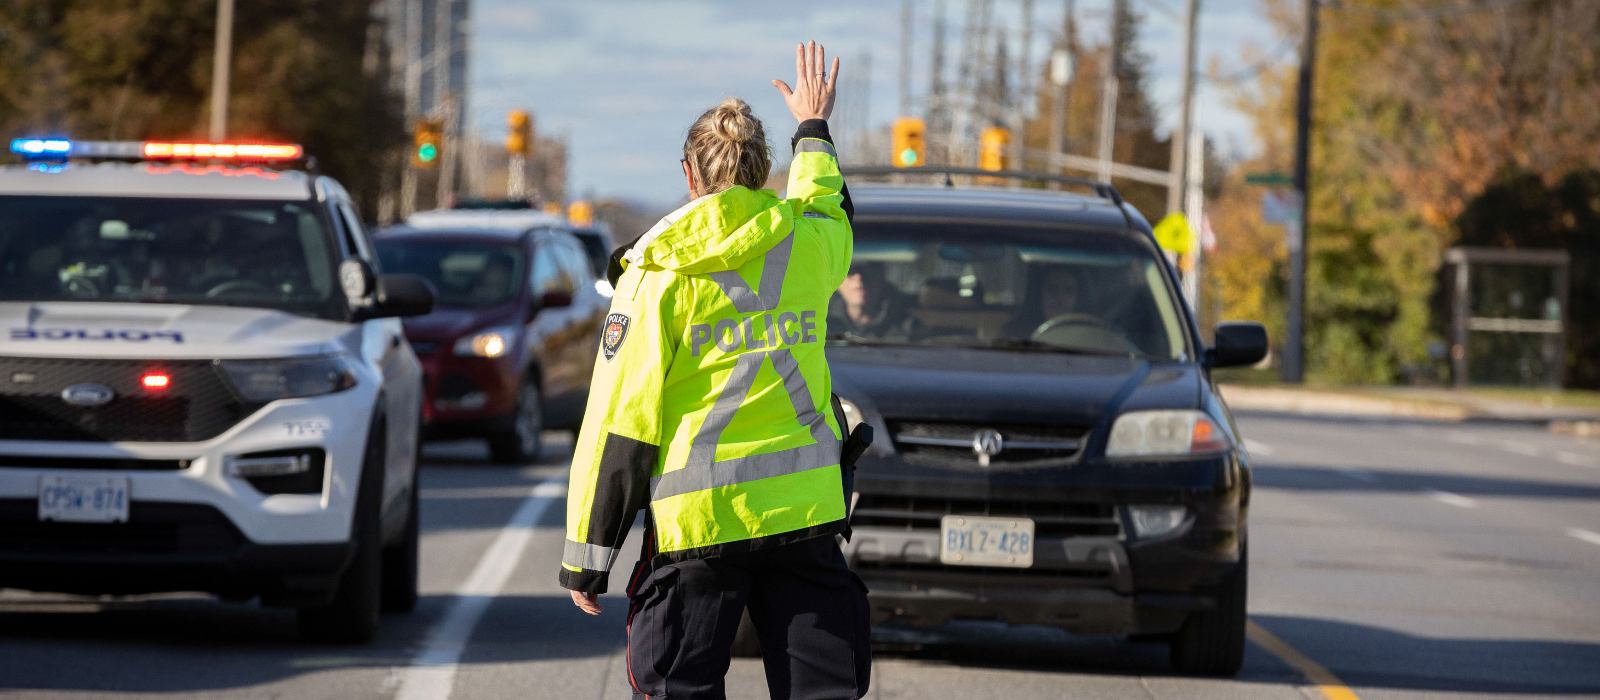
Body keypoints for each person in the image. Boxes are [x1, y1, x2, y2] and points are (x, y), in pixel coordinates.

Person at [560, 42, 871, 700]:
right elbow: (828, 208)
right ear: (762, 172)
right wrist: (813, 127)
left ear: (689, 173)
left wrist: (589, 557)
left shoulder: (656, 275)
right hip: (803, 521)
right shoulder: (808, 246)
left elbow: (622, 425)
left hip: (696, 530)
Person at [828, 261, 909, 338]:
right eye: (848, 271)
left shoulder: (908, 324)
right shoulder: (822, 321)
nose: (858, 277)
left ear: (882, 275)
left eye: (867, 269)